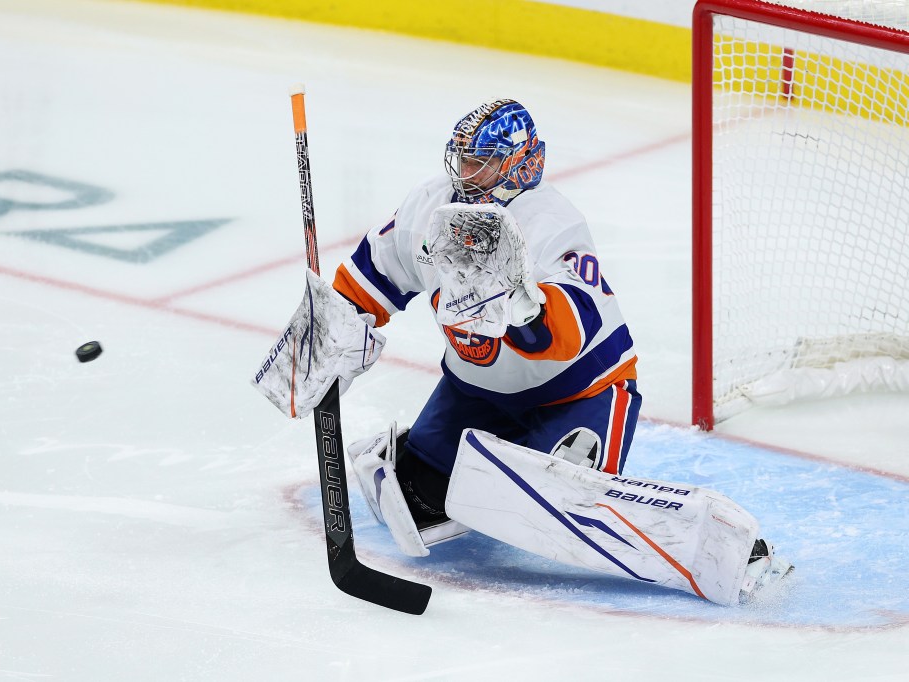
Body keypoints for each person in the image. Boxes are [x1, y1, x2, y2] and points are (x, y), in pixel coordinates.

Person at [253, 99, 792, 605]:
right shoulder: (428, 207)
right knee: (418, 495)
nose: (467, 175)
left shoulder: (550, 223)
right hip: (475, 390)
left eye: (482, 164)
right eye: (463, 160)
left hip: (578, 393)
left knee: (567, 505)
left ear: (518, 164)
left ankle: (727, 552)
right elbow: (373, 277)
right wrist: (326, 335)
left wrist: (524, 307)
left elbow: (568, 331)